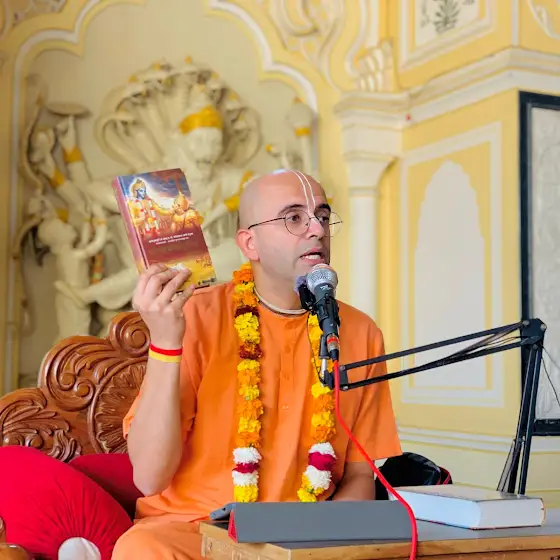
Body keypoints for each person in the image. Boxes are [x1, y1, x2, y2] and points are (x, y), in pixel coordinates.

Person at [112, 169, 402, 559]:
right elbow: (149, 478)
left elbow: (360, 475)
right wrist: (166, 342)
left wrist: (324, 544)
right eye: (294, 217)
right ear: (250, 243)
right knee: (142, 549)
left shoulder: (358, 332)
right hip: (194, 533)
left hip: (299, 543)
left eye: (322, 215)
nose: (317, 229)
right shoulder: (196, 316)